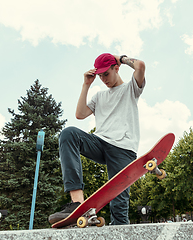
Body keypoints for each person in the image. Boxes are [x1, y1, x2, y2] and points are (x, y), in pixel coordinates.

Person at [48, 53, 146, 225]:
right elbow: (80, 114)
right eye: (100, 76)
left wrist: (120, 58)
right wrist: (86, 85)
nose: (103, 79)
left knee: (119, 206)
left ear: (116, 68)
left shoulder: (131, 88)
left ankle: (119, 228)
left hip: (123, 149)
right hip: (99, 143)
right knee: (68, 134)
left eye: (106, 74)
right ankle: (77, 203)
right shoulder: (99, 97)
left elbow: (140, 66)